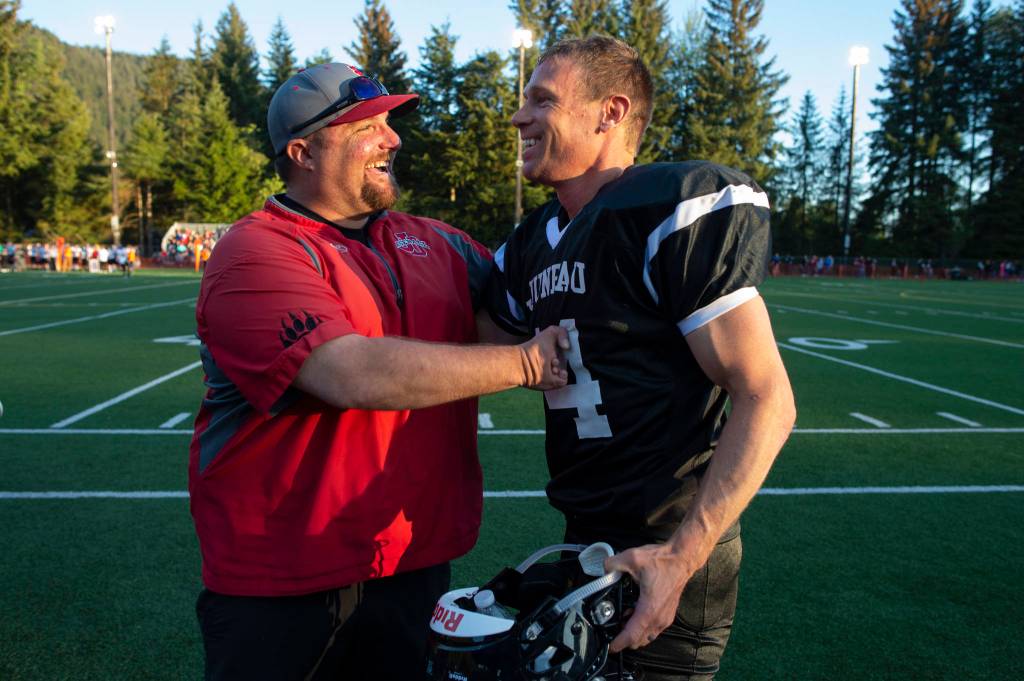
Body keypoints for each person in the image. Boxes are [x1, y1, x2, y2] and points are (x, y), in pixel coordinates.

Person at [188, 62, 569, 681]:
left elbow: (529, 302)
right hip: (282, 587)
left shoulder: (439, 242)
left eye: (390, 122)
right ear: (302, 151)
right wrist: (525, 363)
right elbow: (346, 372)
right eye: (366, 124)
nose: (391, 139)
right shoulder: (255, 250)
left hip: (412, 570)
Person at [483, 37, 796, 680]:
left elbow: (768, 396)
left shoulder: (669, 208)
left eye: (543, 100)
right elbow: (470, 347)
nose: (519, 118)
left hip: (672, 541)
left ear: (610, 112)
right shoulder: (529, 246)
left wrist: (681, 558)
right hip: (583, 536)